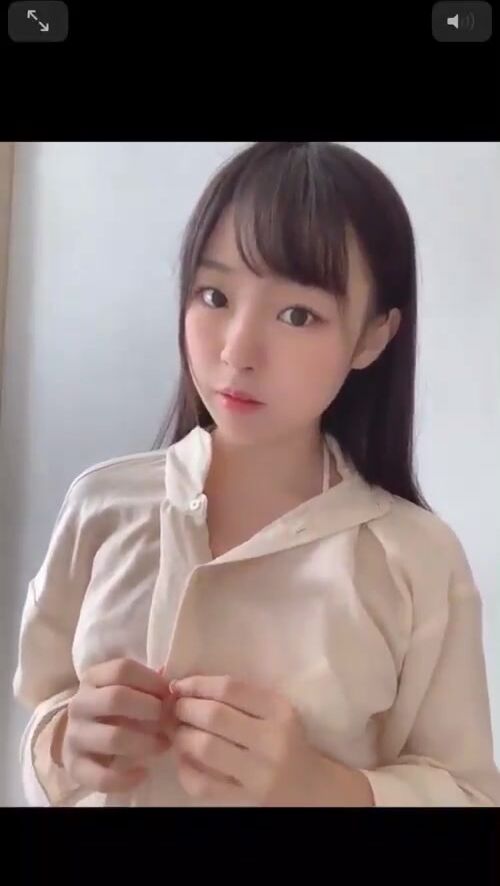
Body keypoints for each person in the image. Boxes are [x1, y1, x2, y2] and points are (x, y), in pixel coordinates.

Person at [13, 140, 500, 808]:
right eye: (213, 295)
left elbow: (470, 792)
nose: (237, 350)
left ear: (372, 337)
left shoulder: (417, 560)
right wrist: (65, 743)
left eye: (298, 314)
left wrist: (322, 787)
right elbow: (40, 711)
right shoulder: (102, 506)